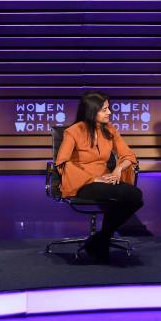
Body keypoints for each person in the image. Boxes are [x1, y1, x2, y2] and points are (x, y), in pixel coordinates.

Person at [55, 91, 143, 263]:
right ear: (91, 111)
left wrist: (118, 169)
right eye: (104, 109)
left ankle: (99, 239)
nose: (109, 112)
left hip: (105, 179)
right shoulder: (73, 131)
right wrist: (92, 179)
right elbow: (62, 162)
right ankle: (101, 242)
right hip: (82, 183)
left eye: (108, 108)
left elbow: (129, 156)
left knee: (136, 196)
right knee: (130, 197)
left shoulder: (110, 130)